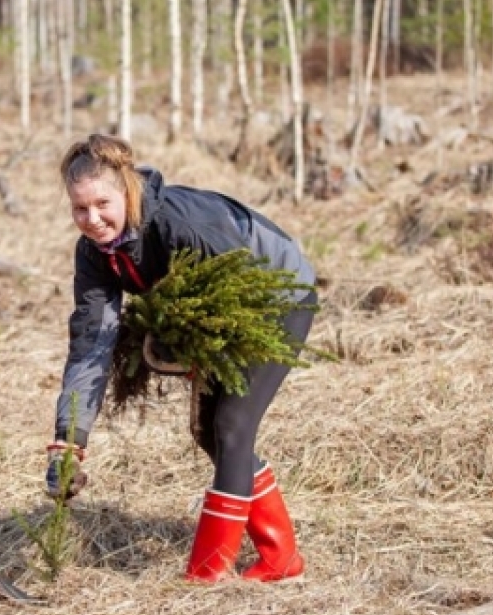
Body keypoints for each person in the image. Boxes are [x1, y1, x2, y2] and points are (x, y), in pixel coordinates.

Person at [45, 134, 318, 583]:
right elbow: (93, 343)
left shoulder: (179, 225)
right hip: (226, 306)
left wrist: (185, 341)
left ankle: (206, 576)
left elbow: (238, 291)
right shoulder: (95, 253)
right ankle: (281, 557)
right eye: (79, 208)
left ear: (127, 189)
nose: (92, 219)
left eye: (102, 203)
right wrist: (70, 439)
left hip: (274, 295)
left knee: (231, 427)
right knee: (212, 434)